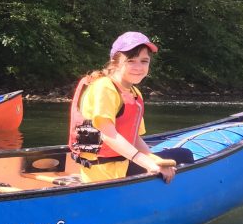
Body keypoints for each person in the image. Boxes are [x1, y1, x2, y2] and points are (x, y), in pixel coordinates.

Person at [69, 31, 178, 184]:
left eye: (144, 61)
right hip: (103, 172)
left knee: (178, 156)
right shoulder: (104, 87)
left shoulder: (133, 93)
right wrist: (148, 164)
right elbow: (108, 135)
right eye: (131, 61)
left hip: (121, 164)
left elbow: (134, 138)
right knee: (184, 156)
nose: (138, 67)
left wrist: (153, 158)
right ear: (115, 63)